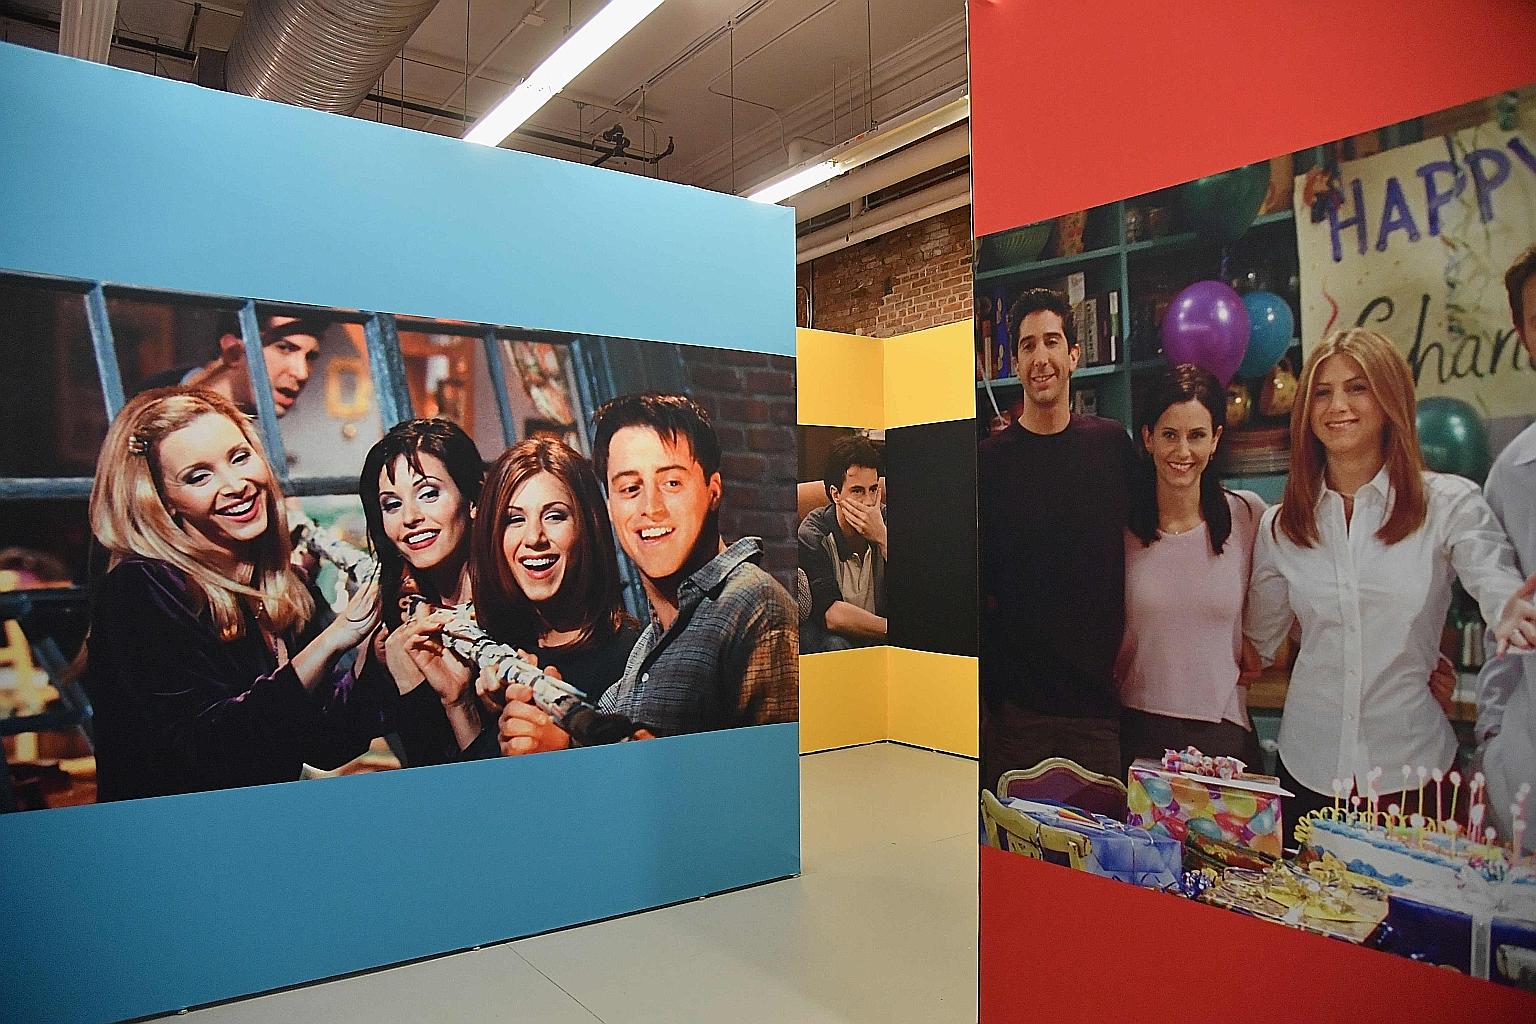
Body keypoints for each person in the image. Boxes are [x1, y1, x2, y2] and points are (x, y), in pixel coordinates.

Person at [1245, 328, 1536, 831]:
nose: (1337, 405)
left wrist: (1507, 606)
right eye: (1322, 392)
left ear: (1389, 399)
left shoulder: (1447, 503)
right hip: (1308, 770)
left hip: (1413, 774)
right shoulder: (1281, 525)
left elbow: (1491, 574)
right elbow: (1255, 647)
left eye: (1357, 388)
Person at [82, 388, 386, 800]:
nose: (236, 485)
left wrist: (375, 656)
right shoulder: (141, 589)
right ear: (163, 502)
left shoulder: (285, 585)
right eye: (198, 476)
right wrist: (331, 641)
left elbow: (326, 743)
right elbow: (212, 754)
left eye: (240, 457)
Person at [494, 394, 797, 754]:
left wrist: (564, 758)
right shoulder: (649, 645)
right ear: (610, 507)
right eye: (630, 489)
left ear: (712, 491)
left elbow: (774, 776)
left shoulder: (754, 607)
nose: (651, 508)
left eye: (672, 483)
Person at [978, 288, 1135, 789]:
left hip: (1095, 710)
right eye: (1027, 345)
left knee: (1098, 839)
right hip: (1016, 713)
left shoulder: (1109, 446)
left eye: (1051, 341)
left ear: (1074, 354)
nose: (1040, 357)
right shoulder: (989, 463)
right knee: (1012, 837)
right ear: (1015, 363)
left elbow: (1152, 535)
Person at [1116, 364, 1264, 776]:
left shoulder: (1248, 515)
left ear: (1215, 439)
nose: (1183, 451)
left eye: (1196, 435)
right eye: (1169, 435)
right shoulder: (1121, 529)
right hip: (1139, 729)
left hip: (1225, 733)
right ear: (1148, 438)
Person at [467, 437, 642, 754]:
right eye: (515, 519)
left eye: (555, 516)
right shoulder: (498, 651)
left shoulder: (632, 658)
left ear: (588, 525)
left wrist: (563, 751)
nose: (534, 537)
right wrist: (456, 703)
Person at [356, 418, 489, 764]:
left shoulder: (514, 606)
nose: (410, 517)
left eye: (429, 493)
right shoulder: (396, 619)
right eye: (392, 504)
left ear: (473, 499)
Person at [1478, 244, 1536, 850]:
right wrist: (1493, 737)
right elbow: (1503, 623)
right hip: (1526, 775)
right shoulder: (1513, 476)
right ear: (1524, 336)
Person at [138, 312, 324, 418]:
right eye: (284, 348)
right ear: (233, 352)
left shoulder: (249, 436)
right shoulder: (145, 405)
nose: (302, 373)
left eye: (310, 357)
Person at [798, 433, 887, 652]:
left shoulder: (885, 521)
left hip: (880, 641)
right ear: (836, 494)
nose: (869, 502)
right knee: (835, 644)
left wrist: (883, 538)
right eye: (857, 491)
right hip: (835, 638)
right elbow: (832, 615)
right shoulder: (813, 534)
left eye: (873, 489)